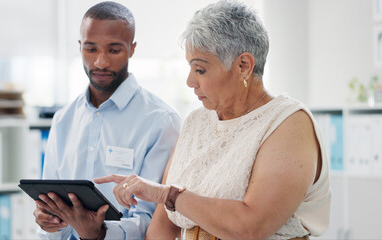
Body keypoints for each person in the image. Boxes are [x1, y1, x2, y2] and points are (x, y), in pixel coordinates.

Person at [95, 1, 331, 239]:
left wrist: (169, 195)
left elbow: (251, 227)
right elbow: (164, 225)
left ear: (243, 66)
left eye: (200, 70)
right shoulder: (196, 123)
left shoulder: (287, 124)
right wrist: (165, 197)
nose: (190, 81)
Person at [33, 2, 181, 239]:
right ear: (80, 46)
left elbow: (155, 221)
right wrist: (47, 219)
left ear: (132, 49)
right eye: (91, 49)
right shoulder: (63, 120)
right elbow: (49, 201)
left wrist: (100, 233)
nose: (100, 62)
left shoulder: (162, 122)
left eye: (113, 50)